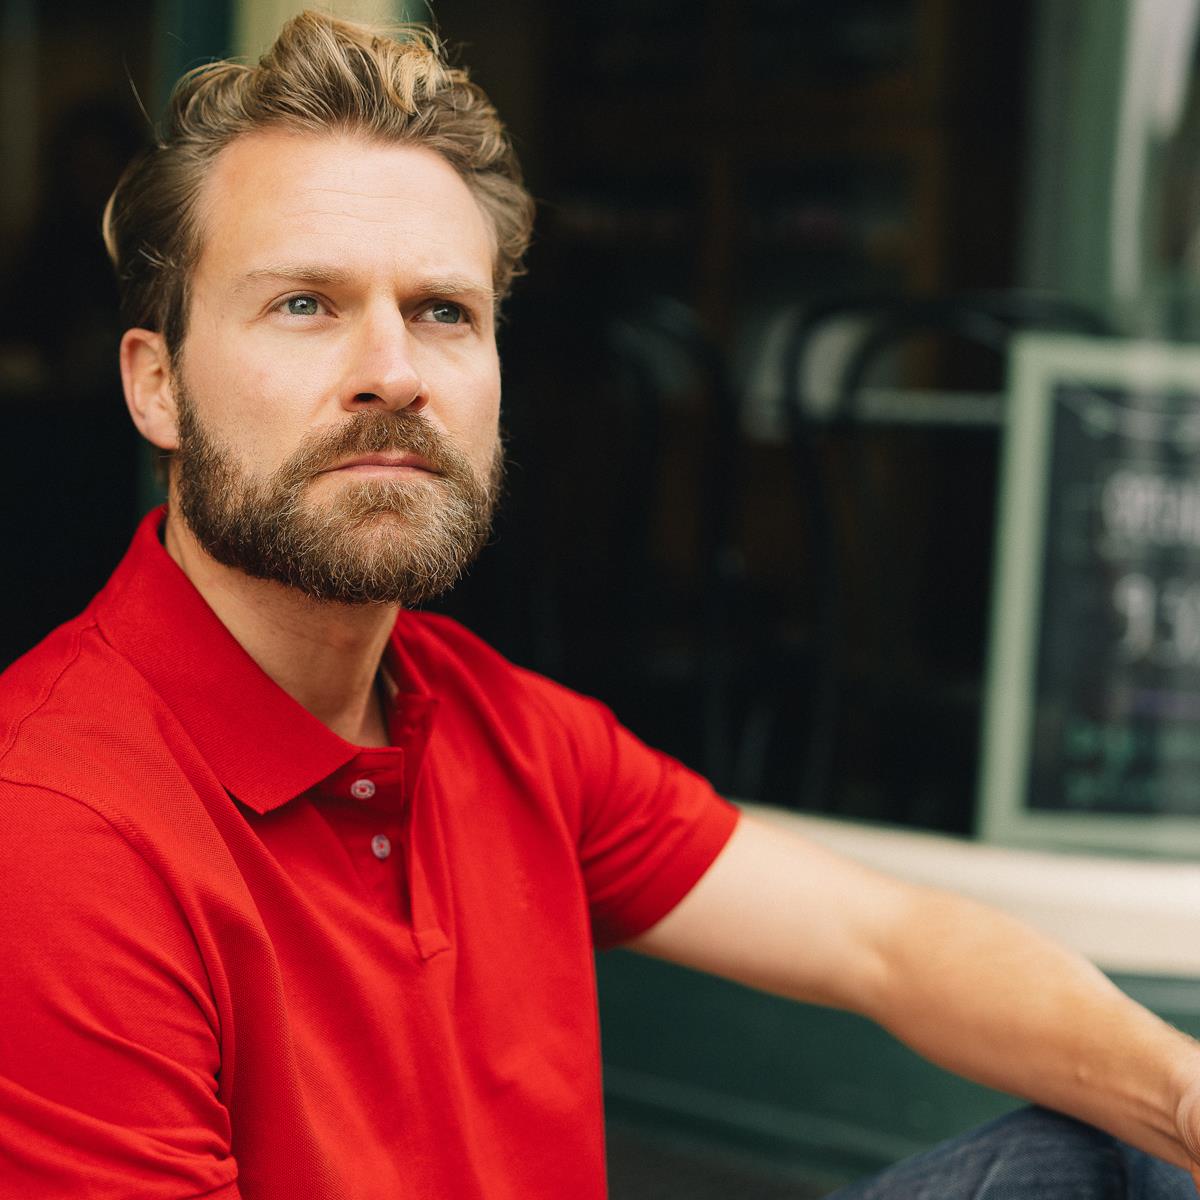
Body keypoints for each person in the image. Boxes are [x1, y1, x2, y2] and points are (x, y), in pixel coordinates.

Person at [0, 12, 1197, 1200]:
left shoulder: (494, 724)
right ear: (158, 387)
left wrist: (1182, 1096)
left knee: (1113, 1152)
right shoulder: (55, 830)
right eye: (305, 304)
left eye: (443, 311)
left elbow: (891, 944)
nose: (395, 372)